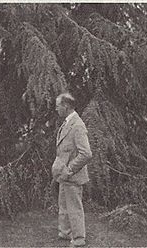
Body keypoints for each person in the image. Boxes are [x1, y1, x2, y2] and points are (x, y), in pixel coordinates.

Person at [52, 92, 92, 247]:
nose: (56, 109)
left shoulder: (78, 125)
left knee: (74, 207)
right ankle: (65, 233)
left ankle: (79, 239)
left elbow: (86, 154)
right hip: (64, 175)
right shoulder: (67, 122)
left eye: (57, 106)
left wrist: (69, 170)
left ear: (66, 106)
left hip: (72, 176)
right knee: (63, 205)